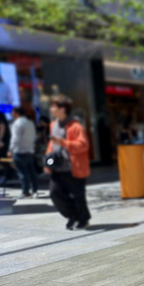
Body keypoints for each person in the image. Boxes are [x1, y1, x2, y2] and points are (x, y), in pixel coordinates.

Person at [45, 95, 91, 230]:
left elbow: (83, 145)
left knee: (78, 196)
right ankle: (73, 215)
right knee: (55, 194)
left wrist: (64, 143)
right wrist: (48, 160)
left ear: (62, 109)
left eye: (53, 106)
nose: (51, 109)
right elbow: (51, 144)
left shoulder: (75, 126)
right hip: (57, 167)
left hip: (73, 167)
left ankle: (83, 218)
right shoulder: (53, 125)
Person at [9, 106, 38, 199]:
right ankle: (35, 190)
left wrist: (11, 149)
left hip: (19, 151)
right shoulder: (30, 123)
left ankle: (25, 191)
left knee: (22, 173)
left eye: (12, 112)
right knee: (32, 172)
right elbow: (34, 136)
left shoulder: (17, 123)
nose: (11, 114)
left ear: (16, 113)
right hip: (30, 150)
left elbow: (15, 138)